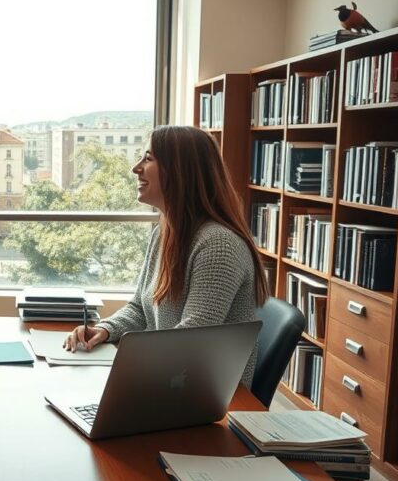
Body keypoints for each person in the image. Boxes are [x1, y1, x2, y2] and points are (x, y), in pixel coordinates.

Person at [63, 125, 268, 387]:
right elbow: (140, 308)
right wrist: (104, 329)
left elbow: (188, 341)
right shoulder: (165, 233)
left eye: (148, 159)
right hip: (172, 382)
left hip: (207, 397)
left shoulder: (219, 245)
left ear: (181, 171)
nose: (136, 168)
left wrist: (128, 364)